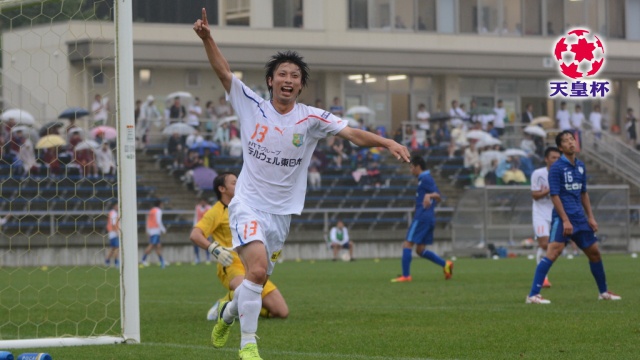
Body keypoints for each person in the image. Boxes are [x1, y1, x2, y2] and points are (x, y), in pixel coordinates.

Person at [194, 9, 410, 359]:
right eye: (282, 74)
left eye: (295, 75)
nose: (288, 79)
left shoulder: (311, 118)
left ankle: (228, 314)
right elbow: (223, 72)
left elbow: (352, 133)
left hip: (282, 214)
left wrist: (387, 143)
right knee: (258, 269)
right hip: (248, 203)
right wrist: (207, 38)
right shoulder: (252, 106)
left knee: (257, 279)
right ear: (270, 80)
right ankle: (248, 346)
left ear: (300, 85)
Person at [525, 131, 621, 304]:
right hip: (563, 219)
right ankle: (532, 295)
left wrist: (590, 217)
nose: (571, 142)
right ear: (561, 147)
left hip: (580, 219)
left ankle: (603, 292)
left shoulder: (581, 166)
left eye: (572, 139)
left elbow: (583, 193)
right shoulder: (556, 168)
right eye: (566, 141)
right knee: (553, 252)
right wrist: (565, 220)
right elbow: (554, 195)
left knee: (595, 253)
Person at [189, 172, 289, 322]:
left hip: (252, 264)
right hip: (231, 265)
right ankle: (224, 305)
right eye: (234, 183)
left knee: (281, 312)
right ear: (222, 189)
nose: (239, 184)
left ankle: (230, 304)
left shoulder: (246, 207)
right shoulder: (217, 211)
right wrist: (214, 249)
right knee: (245, 292)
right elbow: (195, 234)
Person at [391, 155, 453, 283]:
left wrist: (429, 195)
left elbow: (438, 196)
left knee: (407, 244)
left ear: (418, 167)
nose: (410, 170)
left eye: (411, 167)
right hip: (428, 218)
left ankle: (406, 276)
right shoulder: (424, 179)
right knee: (420, 250)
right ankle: (445, 264)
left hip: (422, 218)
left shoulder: (425, 179)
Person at [530, 147, 561, 289]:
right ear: (546, 159)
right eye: (553, 157)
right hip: (540, 214)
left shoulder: (562, 174)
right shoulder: (538, 174)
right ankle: (543, 278)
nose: (556, 160)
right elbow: (535, 195)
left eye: (558, 158)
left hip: (556, 213)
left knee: (554, 248)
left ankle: (543, 275)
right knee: (544, 244)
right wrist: (550, 189)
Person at [141, 200, 167, 268]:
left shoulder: (152, 210)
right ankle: (143, 259)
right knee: (152, 245)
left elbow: (148, 220)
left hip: (151, 230)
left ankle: (162, 261)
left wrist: (148, 230)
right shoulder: (158, 211)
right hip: (155, 230)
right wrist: (163, 229)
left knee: (158, 246)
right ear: (160, 204)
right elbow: (158, 221)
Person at [193, 198, 212, 264]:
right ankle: (197, 258)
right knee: (196, 243)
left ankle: (208, 258)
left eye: (204, 202)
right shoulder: (197, 207)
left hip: (206, 228)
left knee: (206, 243)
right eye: (202, 202)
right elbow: (195, 217)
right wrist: (194, 227)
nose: (203, 203)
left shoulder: (209, 208)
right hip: (199, 228)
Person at [105, 203, 120, 267]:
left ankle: (107, 261)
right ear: (114, 206)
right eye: (117, 206)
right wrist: (117, 232)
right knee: (117, 247)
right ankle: (116, 262)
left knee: (113, 248)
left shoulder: (111, 212)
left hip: (111, 232)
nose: (118, 207)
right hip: (114, 233)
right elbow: (114, 224)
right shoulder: (114, 213)